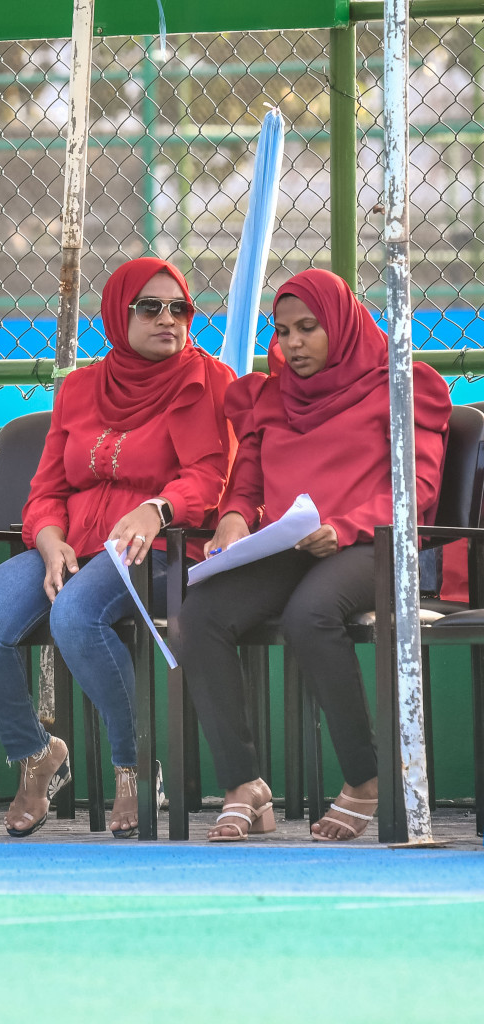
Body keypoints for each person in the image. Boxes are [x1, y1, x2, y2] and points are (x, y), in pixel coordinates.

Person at [0, 257, 237, 839]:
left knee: (77, 614)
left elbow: (211, 478)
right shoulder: (82, 387)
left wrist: (156, 508)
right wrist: (50, 541)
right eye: (150, 307)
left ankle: (134, 768)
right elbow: (47, 489)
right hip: (74, 546)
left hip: (160, 548)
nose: (169, 319)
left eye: (179, 307)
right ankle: (35, 753)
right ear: (117, 313)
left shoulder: (206, 380)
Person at [177, 268, 452, 842]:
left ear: (342, 326)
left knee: (312, 613)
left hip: (371, 543)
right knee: (199, 611)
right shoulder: (268, 397)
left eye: (308, 328)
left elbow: (416, 492)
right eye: (282, 332)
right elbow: (246, 488)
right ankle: (243, 783)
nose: (293, 343)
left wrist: (343, 526)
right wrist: (231, 521)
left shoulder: (402, 386)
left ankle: (364, 778)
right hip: (290, 543)